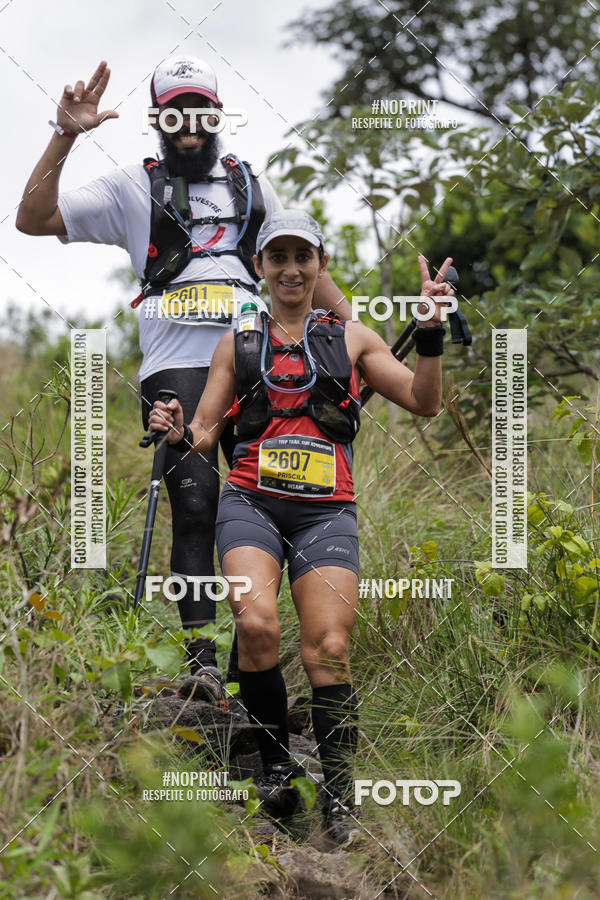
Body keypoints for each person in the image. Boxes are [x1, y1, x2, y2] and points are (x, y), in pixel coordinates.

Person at [15, 57, 352, 704]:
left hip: (259, 362)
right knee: (195, 501)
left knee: (269, 503)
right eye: (174, 113)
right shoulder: (129, 189)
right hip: (175, 365)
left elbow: (304, 266)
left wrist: (354, 330)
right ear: (159, 121)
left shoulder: (253, 186)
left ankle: (245, 654)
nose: (188, 125)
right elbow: (33, 220)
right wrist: (65, 134)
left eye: (199, 110)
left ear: (216, 114)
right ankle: (200, 661)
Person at [148, 209, 454, 844]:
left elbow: (425, 401)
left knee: (330, 651)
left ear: (319, 265)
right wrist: (179, 431)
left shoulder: (354, 340)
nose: (291, 269)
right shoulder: (238, 340)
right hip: (251, 503)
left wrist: (429, 334)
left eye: (302, 257)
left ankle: (340, 798)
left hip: (326, 512)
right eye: (277, 257)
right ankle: (275, 768)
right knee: (256, 625)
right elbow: (206, 435)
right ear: (259, 267)